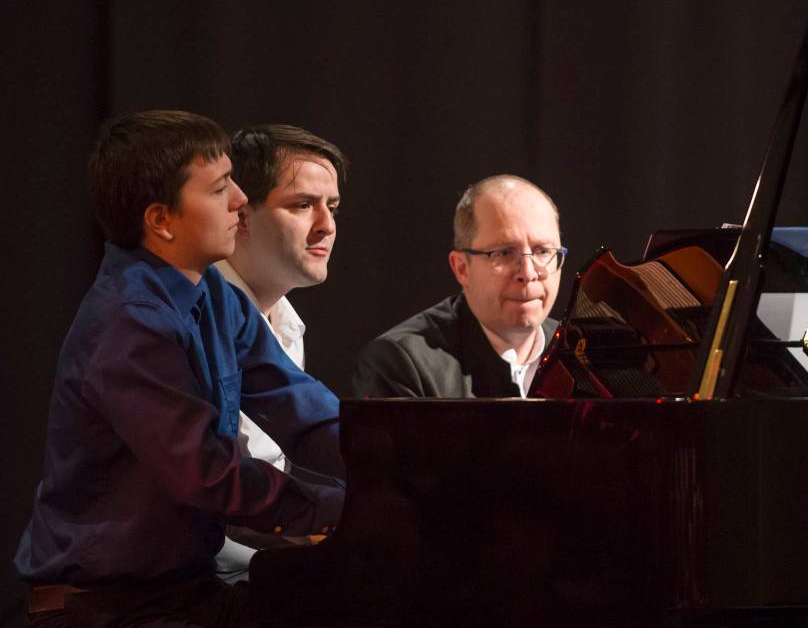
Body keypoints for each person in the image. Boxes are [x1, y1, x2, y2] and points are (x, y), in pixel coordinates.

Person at [14, 110, 345, 627]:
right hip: (104, 608)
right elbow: (208, 473)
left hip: (184, 596)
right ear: (161, 220)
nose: (240, 200)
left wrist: (404, 472)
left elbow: (301, 409)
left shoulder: (212, 293)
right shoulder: (129, 322)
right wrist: (338, 510)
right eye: (219, 190)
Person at [212, 124, 347, 580]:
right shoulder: (194, 312)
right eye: (303, 205)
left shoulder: (285, 321)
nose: (327, 226)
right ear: (240, 213)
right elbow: (205, 493)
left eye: (332, 207)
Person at [350, 175, 566, 398]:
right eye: (503, 253)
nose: (528, 273)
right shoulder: (401, 364)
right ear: (462, 268)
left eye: (543, 252)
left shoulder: (582, 354)